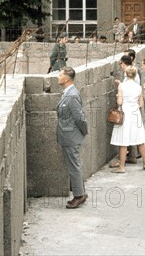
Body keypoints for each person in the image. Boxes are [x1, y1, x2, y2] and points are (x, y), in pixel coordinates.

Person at [56, 67, 88, 209]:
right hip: (68, 135)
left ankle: (79, 196)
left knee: (74, 166)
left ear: (67, 79)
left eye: (60, 75)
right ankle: (79, 191)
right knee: (73, 165)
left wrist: (83, 132)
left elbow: (80, 118)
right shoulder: (67, 93)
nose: (58, 77)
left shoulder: (72, 95)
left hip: (71, 136)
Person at [110, 67, 145, 173]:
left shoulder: (122, 85)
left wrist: (119, 95)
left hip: (125, 112)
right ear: (135, 74)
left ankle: (122, 167)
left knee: (124, 139)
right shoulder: (138, 87)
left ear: (126, 74)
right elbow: (141, 104)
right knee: (140, 139)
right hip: (135, 113)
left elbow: (119, 102)